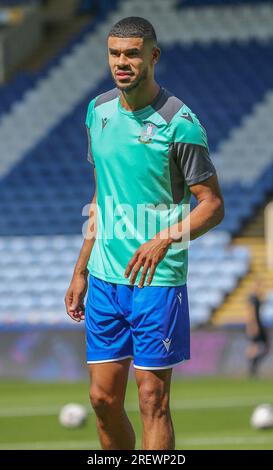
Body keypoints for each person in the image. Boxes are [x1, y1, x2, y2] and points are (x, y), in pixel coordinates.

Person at [65, 16, 224, 450]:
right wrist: (80, 269)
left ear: (152, 56)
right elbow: (101, 193)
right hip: (104, 279)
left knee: (153, 399)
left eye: (132, 53)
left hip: (157, 281)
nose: (122, 62)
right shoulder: (97, 112)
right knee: (101, 400)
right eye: (115, 53)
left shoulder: (181, 123)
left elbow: (211, 205)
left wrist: (165, 237)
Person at [246, 280, 269, 377]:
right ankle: (252, 369)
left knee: (265, 347)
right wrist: (252, 325)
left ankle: (254, 366)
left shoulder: (258, 298)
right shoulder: (253, 298)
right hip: (255, 325)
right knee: (254, 346)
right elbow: (250, 313)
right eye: (259, 286)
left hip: (260, 324)